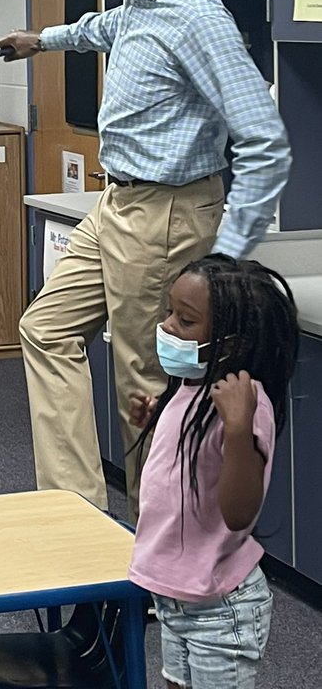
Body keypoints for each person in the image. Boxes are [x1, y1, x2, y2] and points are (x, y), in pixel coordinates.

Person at [0, 0, 291, 518]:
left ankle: (163, 560)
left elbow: (266, 143)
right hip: (118, 205)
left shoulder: (194, 15)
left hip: (168, 215)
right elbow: (101, 33)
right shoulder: (138, 5)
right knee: (45, 329)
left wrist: (222, 261)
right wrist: (39, 41)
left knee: (144, 389)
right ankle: (79, 518)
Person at [129, 255, 299, 689]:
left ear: (229, 343)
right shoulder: (193, 386)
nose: (167, 327)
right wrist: (158, 420)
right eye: (170, 312)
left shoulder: (244, 402)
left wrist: (239, 429)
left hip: (220, 609)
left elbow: (240, 513)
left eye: (184, 321)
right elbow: (188, 473)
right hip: (176, 596)